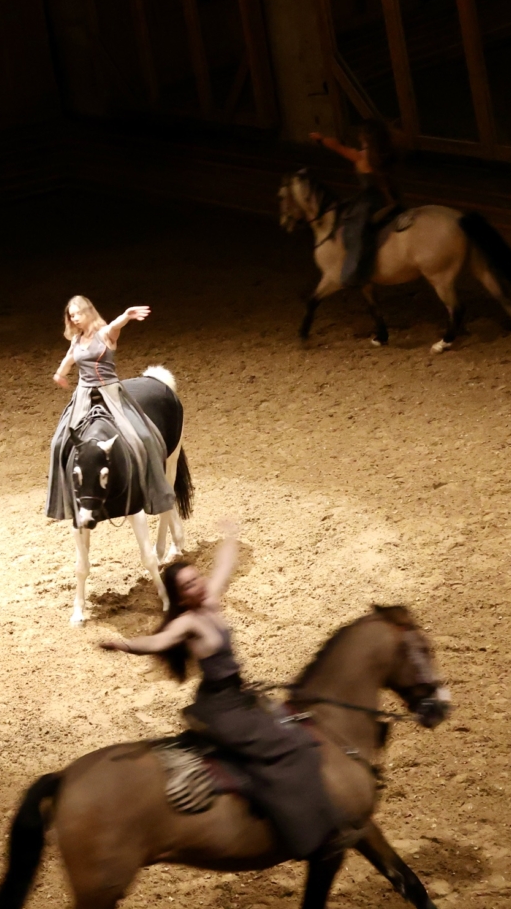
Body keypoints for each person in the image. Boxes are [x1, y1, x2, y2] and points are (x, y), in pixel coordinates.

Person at [98, 520, 341, 859]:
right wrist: (125, 645)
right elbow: (158, 641)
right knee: (286, 745)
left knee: (295, 732)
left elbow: (225, 565)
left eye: (196, 579)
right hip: (221, 707)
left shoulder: (210, 601)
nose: (197, 586)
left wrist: (230, 536)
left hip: (239, 697)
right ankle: (300, 831)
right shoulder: (188, 623)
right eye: (188, 586)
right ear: (181, 598)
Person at [44, 296, 174, 524]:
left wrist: (127, 315)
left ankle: (156, 492)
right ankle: (63, 501)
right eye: (71, 315)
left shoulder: (105, 334)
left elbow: (115, 325)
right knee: (58, 442)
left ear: (88, 312)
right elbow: (68, 359)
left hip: (110, 392)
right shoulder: (76, 340)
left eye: (77, 313)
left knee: (143, 436)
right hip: (84, 394)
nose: (74, 318)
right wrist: (60, 374)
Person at [307, 121, 403, 291]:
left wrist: (321, 139)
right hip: (387, 196)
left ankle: (357, 270)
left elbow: (338, 147)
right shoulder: (383, 156)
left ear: (365, 138)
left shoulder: (361, 156)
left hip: (370, 200)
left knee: (355, 227)